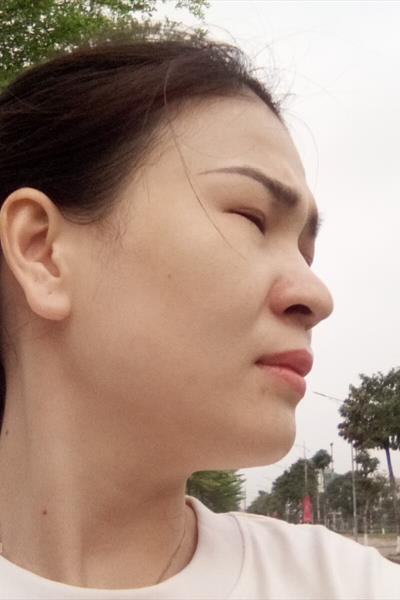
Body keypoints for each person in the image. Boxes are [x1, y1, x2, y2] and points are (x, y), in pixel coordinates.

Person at [0, 33, 397, 600]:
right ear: (41, 251)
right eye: (252, 218)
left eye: (305, 253)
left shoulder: (343, 584)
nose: (317, 295)